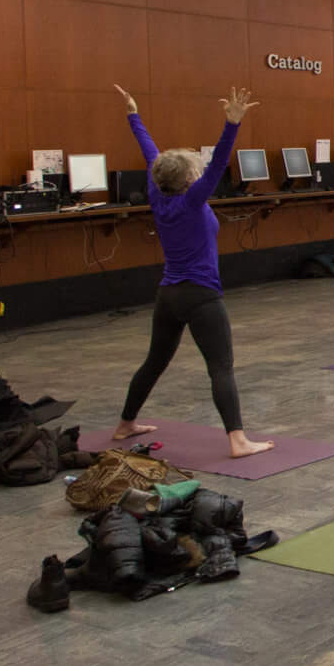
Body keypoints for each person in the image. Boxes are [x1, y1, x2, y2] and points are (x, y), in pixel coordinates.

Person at [112, 84, 268, 459]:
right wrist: (232, 123)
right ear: (189, 181)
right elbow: (217, 165)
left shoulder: (157, 193)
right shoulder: (193, 200)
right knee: (221, 367)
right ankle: (238, 440)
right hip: (201, 297)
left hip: (169, 295)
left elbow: (149, 152)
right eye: (195, 171)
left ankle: (125, 424)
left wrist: (134, 113)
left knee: (155, 361)